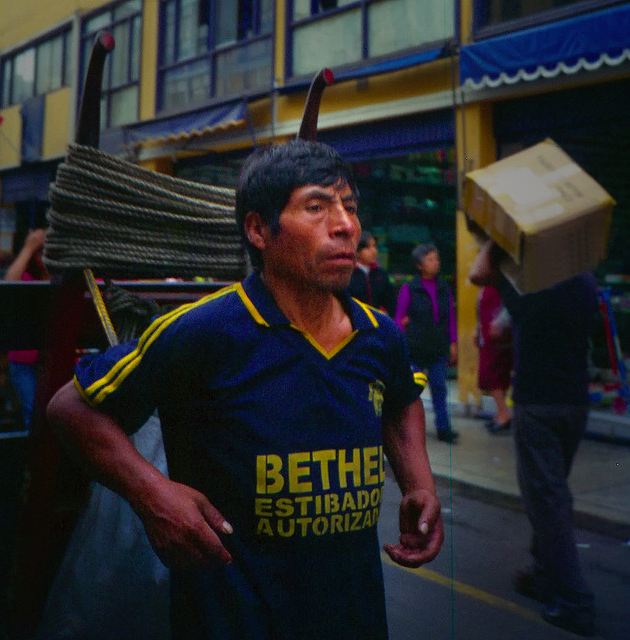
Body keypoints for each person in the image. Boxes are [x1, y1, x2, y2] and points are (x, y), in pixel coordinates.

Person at [46, 140, 444, 640]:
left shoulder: (380, 335)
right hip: (232, 620)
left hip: (355, 615)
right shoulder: (204, 332)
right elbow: (70, 410)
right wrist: (153, 495)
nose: (346, 225)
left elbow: (402, 403)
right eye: (317, 207)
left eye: (351, 207)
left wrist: (419, 485)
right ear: (258, 229)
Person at [469, 238, 598, 637]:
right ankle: (543, 571)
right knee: (552, 492)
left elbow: (477, 272)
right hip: (575, 402)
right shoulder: (584, 279)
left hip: (538, 402)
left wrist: (499, 237)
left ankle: (574, 601)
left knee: (547, 499)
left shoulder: (528, 281)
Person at [395, 243, 459, 444]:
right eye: (430, 259)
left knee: (440, 387)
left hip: (438, 346)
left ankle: (443, 427)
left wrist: (453, 343)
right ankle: (405, 427)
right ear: (419, 265)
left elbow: (450, 318)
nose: (436, 263)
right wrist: (400, 344)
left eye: (437, 259)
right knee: (412, 389)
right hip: (415, 347)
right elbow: (399, 318)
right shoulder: (410, 288)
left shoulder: (443, 288)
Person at [4, 228, 50, 431]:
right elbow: (9, 286)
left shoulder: (64, 276)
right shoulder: (26, 276)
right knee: (34, 416)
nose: (45, 256)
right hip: (24, 360)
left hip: (56, 358)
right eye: (40, 252)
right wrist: (29, 246)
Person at [473, 285, 513, 433]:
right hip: (488, 337)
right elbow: (479, 310)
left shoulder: (505, 284)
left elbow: (512, 304)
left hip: (499, 338)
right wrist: (477, 329)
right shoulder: (486, 287)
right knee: (493, 375)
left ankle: (504, 413)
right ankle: (500, 413)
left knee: (493, 374)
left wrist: (500, 323)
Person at [347, 230, 396, 315]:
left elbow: (391, 302)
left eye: (374, 246)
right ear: (357, 250)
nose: (373, 251)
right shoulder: (348, 273)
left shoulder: (381, 274)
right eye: (367, 247)